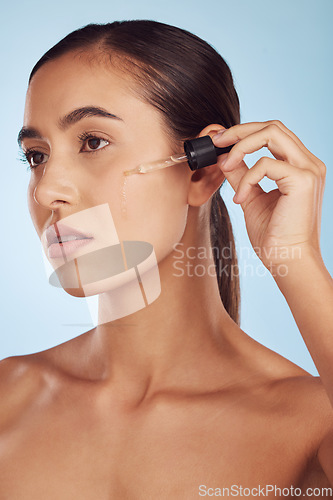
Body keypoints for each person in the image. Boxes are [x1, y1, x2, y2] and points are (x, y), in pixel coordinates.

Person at [1, 20, 332, 497]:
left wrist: (297, 260)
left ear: (202, 172)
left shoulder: (311, 426)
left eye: (93, 142)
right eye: (36, 156)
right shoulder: (7, 398)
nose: (47, 189)